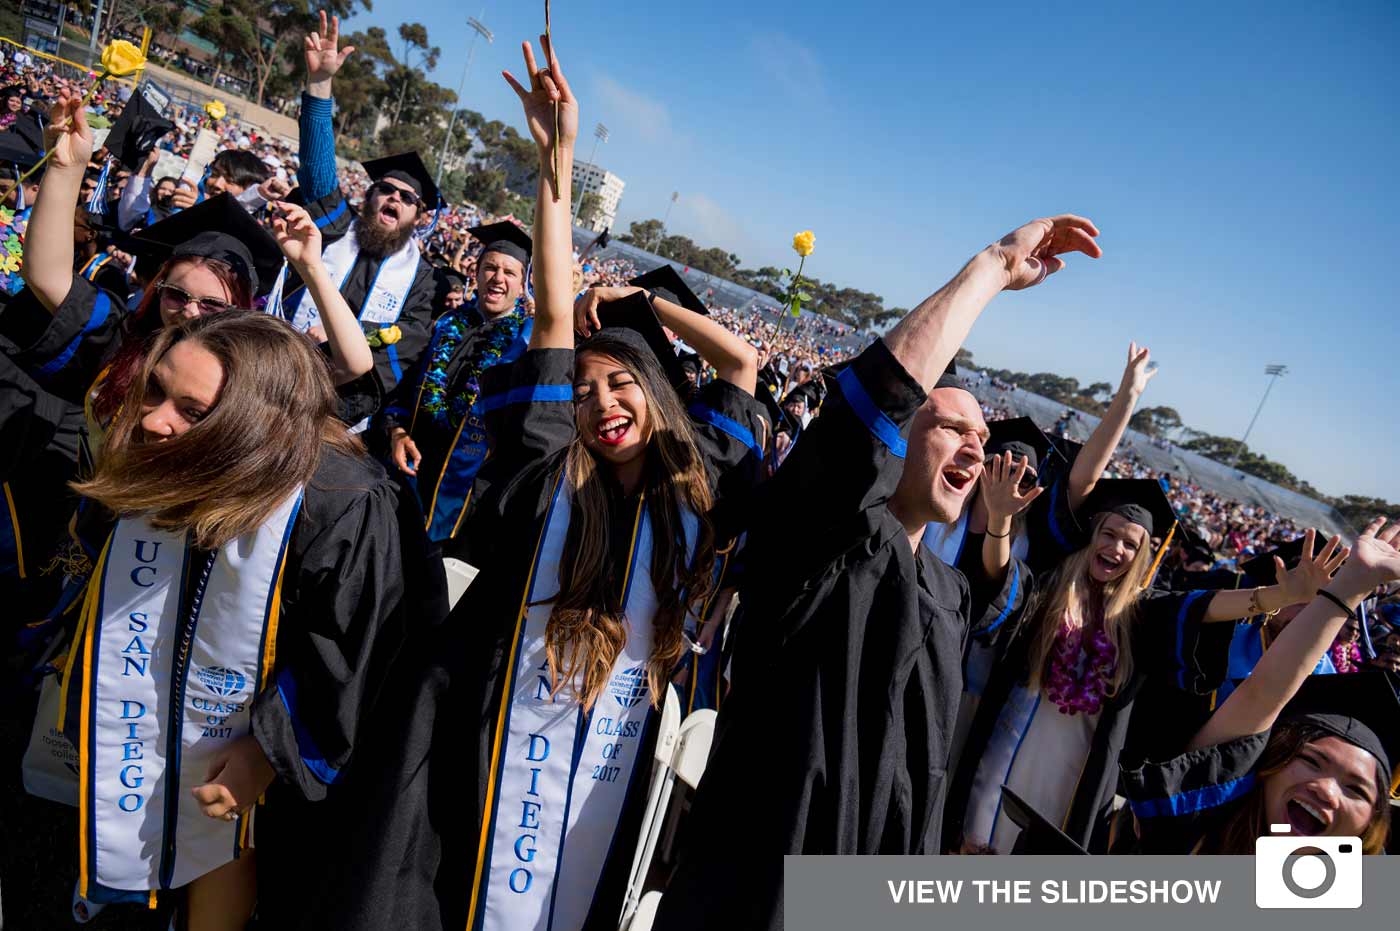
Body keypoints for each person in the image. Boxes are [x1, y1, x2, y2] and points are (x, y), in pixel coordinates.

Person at [304, 35, 763, 931]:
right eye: (586, 390)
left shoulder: (691, 478)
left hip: (613, 752)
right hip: (497, 722)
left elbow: (742, 360)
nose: (603, 404)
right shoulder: (559, 470)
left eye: (623, 384)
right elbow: (555, 310)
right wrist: (555, 162)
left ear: (659, 397)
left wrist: (639, 306)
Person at [656, 212, 1104, 931]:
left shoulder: (949, 595)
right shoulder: (823, 540)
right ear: (898, 440)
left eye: (982, 436)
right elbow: (869, 410)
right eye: (951, 426)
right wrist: (989, 267)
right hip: (755, 890)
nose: (975, 444)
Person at [52, 310, 434, 927]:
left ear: (254, 422)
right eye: (156, 389)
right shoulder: (160, 449)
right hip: (153, 719)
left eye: (192, 411)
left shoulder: (342, 504)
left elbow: (348, 658)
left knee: (230, 851)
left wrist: (268, 749)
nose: (154, 418)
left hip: (271, 758)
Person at [943, 478, 1349, 855]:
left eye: (1131, 544)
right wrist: (999, 522)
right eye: (1110, 534)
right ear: (1092, 536)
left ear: (1141, 556)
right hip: (1008, 738)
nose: (1117, 548)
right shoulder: (1049, 588)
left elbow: (1206, 607)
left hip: (1078, 764)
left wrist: (1275, 595)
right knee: (979, 832)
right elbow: (998, 577)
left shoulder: (1140, 612)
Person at [1124, 518, 1400, 854]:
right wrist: (1347, 587)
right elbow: (1261, 696)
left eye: (1356, 789)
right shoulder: (1204, 834)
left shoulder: (1346, 892)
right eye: (1312, 762)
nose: (1327, 790)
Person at [281, 12, 439, 431]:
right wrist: (319, 86)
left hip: (337, 413)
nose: (395, 198)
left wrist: (340, 339)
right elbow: (317, 172)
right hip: (274, 375)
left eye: (407, 198)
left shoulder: (421, 278)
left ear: (418, 217)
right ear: (368, 195)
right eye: (386, 189)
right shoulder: (335, 226)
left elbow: (410, 337)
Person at [381, 222, 535, 548]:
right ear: (475, 274)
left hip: (464, 501)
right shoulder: (445, 324)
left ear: (523, 285)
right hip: (402, 469)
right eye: (490, 268)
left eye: (510, 272)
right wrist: (396, 430)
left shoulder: (525, 347)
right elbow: (405, 387)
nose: (498, 278)